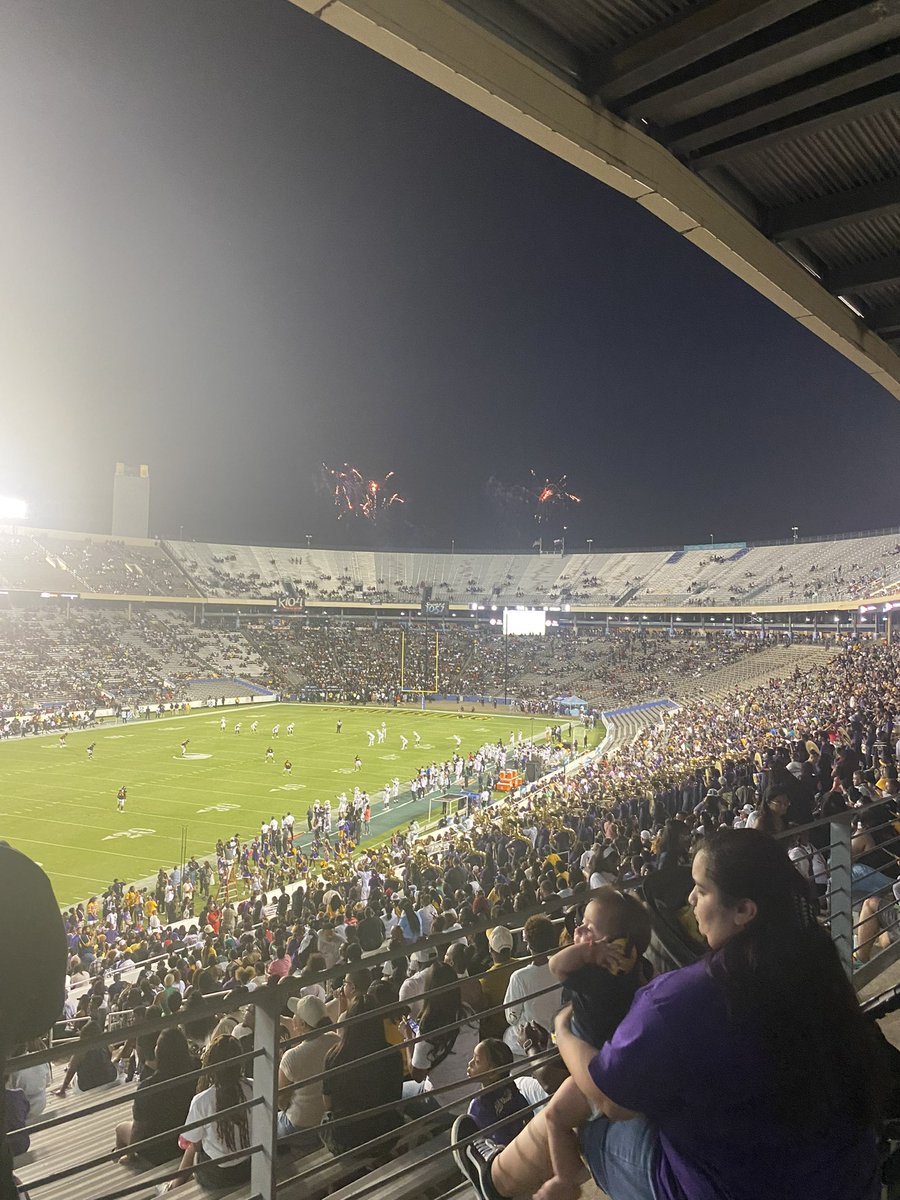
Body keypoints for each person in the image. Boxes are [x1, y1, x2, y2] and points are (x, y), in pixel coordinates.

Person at [453, 829, 885, 1200]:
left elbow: (609, 1098)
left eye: (701, 888)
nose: (691, 898)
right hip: (845, 1174)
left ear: (744, 910)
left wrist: (563, 1031)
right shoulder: (813, 961)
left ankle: (496, 1179)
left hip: (745, 1185)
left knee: (583, 1108)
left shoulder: (684, 996)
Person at [165, 1034, 252, 1190]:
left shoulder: (202, 1101)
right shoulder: (253, 1086)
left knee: (195, 1143)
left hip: (217, 1177)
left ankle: (174, 1185)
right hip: (249, 1167)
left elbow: (187, 1143)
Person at [321, 995, 404, 1154]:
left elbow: (328, 1104)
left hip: (346, 1139)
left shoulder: (334, 1057)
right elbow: (395, 1097)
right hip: (385, 1135)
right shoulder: (393, 1054)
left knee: (325, 1120)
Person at [116, 1027, 200, 1165]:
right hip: (187, 1143)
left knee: (120, 1129)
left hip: (156, 1152)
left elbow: (138, 1129)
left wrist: (129, 1153)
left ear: (159, 1053)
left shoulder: (148, 1087)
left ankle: (127, 1160)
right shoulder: (198, 1069)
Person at [277, 996, 339, 1143]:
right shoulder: (335, 1040)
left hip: (299, 1126)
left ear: (302, 1024)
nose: (292, 1017)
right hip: (329, 1118)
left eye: (295, 1015)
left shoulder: (291, 1057)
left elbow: (281, 1101)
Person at [465, 1039, 531, 1145]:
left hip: (502, 1148)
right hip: (520, 1138)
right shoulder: (509, 1085)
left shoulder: (478, 1105)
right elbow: (525, 1107)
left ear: (493, 1072)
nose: (470, 1063)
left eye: (477, 1061)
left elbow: (494, 1137)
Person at [55, 1019, 117, 1096]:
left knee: (73, 1070)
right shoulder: (105, 1044)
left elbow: (71, 1071)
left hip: (88, 1085)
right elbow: (109, 1056)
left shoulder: (81, 1051)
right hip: (109, 1078)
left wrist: (62, 1090)